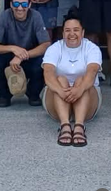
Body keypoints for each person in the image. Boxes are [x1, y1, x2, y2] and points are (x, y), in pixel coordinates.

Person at [0, 0, 52, 107]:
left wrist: (23, 55)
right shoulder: (5, 15)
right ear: (11, 4)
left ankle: (33, 93)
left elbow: (46, 44)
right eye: (16, 3)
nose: (19, 8)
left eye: (23, 4)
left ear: (29, 5)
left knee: (46, 61)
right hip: (8, 57)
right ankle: (4, 94)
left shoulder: (36, 16)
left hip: (29, 57)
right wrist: (13, 48)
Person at [42, 9, 103, 147]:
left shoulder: (91, 48)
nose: (72, 34)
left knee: (82, 79)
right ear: (63, 33)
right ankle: (64, 126)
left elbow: (91, 73)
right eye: (67, 30)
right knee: (61, 79)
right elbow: (48, 74)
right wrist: (62, 91)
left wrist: (79, 89)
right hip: (58, 100)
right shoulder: (54, 48)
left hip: (87, 100)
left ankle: (79, 127)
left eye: (76, 30)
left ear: (82, 32)